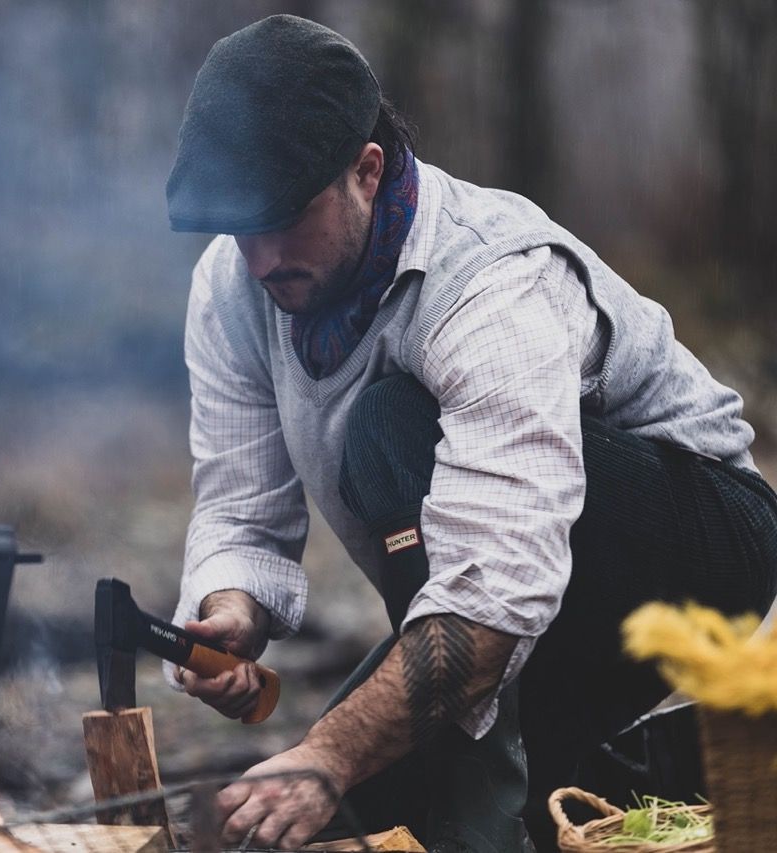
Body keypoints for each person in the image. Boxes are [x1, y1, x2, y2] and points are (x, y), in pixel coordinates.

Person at [163, 14, 777, 853]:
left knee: (386, 426)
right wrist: (229, 605)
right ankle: (617, 773)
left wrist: (333, 749)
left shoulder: (491, 284)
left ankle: (495, 814)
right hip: (510, 592)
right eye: (241, 224)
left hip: (700, 556)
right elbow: (239, 503)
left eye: (284, 218)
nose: (262, 256)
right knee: (350, 815)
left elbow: (499, 584)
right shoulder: (237, 286)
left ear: (366, 171)